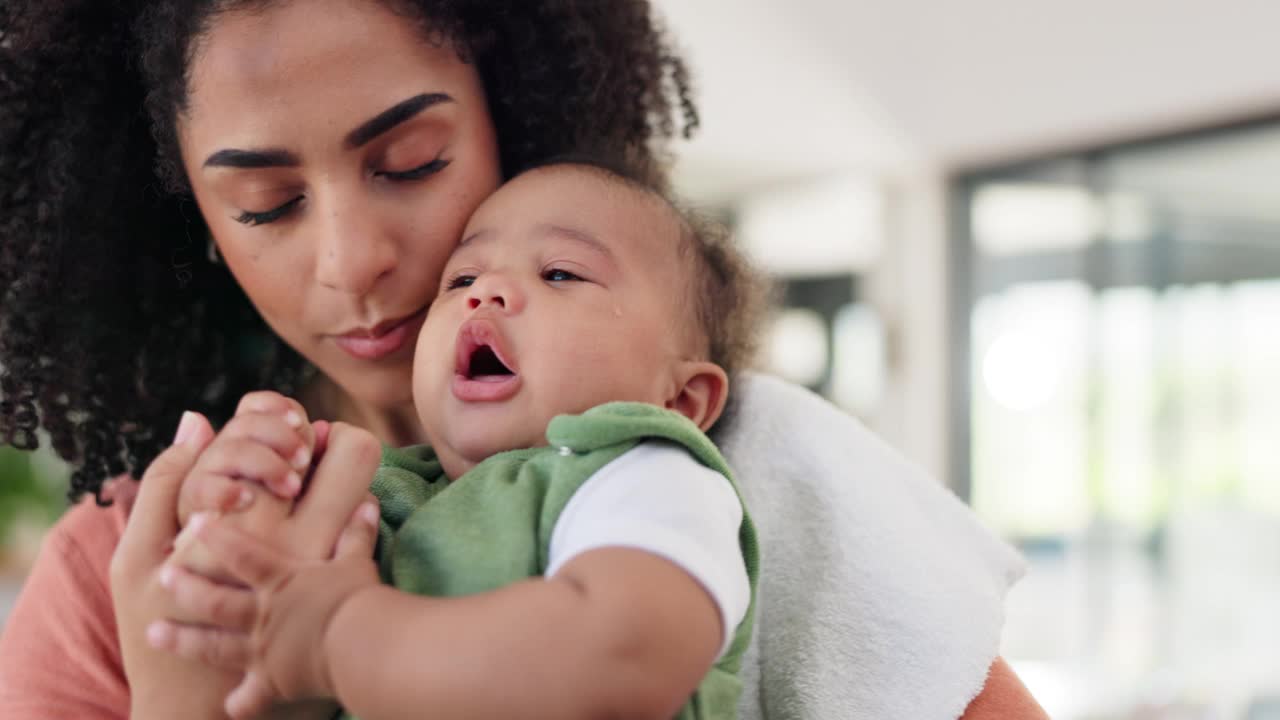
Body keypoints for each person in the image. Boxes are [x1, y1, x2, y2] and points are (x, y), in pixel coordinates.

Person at [0, 0, 1046, 718]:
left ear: (516, 118)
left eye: (411, 164)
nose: (352, 261)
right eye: (264, 205)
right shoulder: (125, 572)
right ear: (194, 227)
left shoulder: (718, 470)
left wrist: (340, 639)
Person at [157, 161, 764, 719]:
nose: (486, 290)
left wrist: (342, 635)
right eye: (461, 277)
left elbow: (623, 658)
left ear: (679, 401)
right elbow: (268, 682)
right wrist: (234, 509)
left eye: (560, 273)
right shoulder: (385, 494)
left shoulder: (640, 473)